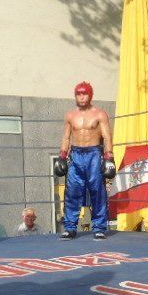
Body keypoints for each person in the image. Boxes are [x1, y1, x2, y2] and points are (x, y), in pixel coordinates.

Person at [59, 81, 113, 240]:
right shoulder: (70, 115)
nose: (82, 97)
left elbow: (107, 137)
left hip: (94, 154)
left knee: (97, 191)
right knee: (72, 191)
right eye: (79, 94)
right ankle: (70, 228)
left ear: (90, 95)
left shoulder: (100, 114)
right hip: (75, 154)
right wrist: (62, 155)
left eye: (85, 94)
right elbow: (66, 137)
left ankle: (99, 228)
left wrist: (109, 157)